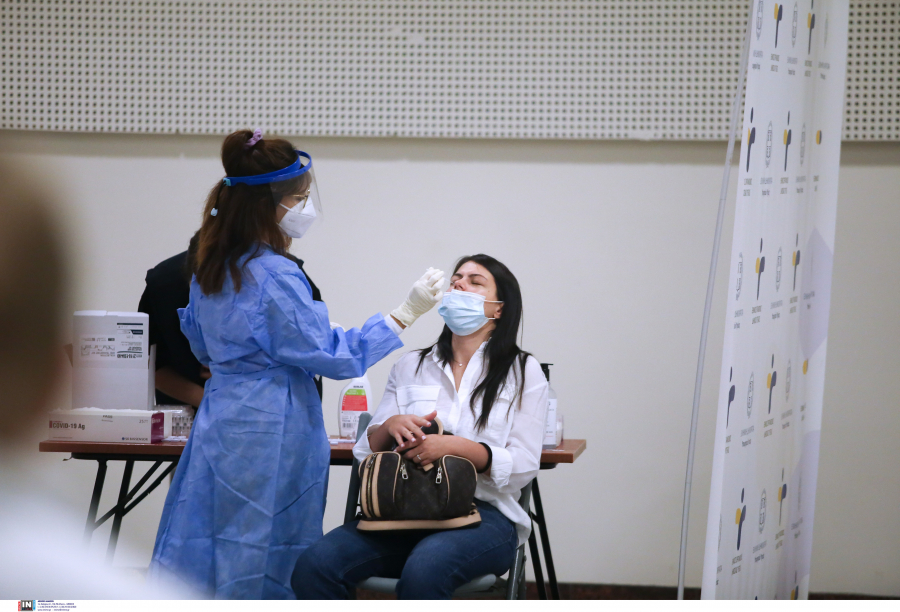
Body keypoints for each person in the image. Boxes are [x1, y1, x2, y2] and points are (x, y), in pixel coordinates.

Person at [148, 129, 445, 599]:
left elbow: (203, 350)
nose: (304, 207)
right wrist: (404, 314)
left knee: (204, 535)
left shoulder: (210, 267)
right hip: (271, 428)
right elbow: (337, 356)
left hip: (221, 421)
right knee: (266, 545)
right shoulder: (275, 275)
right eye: (298, 198)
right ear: (269, 204)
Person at [291, 254, 549, 600]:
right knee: (314, 565)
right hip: (402, 509)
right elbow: (367, 453)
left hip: (482, 515)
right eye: (456, 279)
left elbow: (524, 465)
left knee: (426, 569)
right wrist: (390, 426)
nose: (459, 284)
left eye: (475, 282)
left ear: (498, 309)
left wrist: (456, 448)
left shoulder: (522, 370)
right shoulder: (411, 364)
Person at [138, 231, 323, 408]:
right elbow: (149, 363)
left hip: (277, 403)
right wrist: (215, 402)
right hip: (187, 408)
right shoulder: (164, 288)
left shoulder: (284, 278)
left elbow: (313, 351)